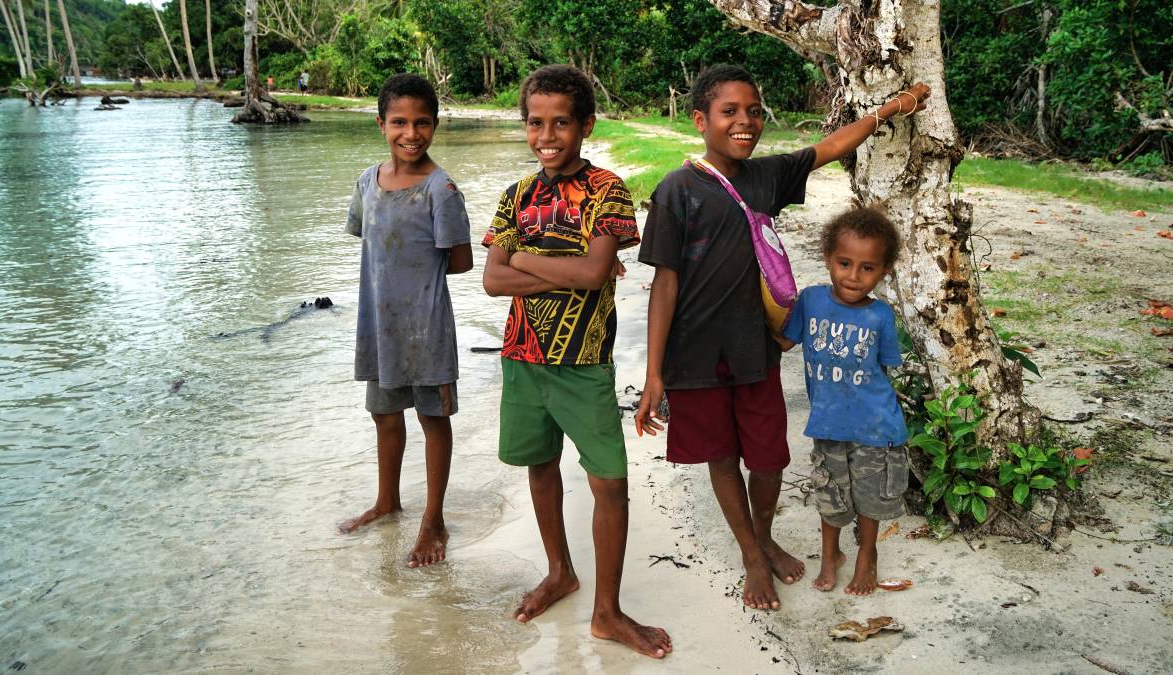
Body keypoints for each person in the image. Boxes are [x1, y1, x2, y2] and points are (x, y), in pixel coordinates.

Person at [635, 63, 928, 610]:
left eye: (754, 112)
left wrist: (888, 110)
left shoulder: (766, 177)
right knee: (721, 458)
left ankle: (763, 535)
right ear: (700, 120)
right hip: (692, 353)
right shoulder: (676, 190)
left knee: (768, 460)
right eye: (729, 112)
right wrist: (654, 374)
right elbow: (665, 284)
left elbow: (832, 145)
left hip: (755, 348)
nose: (745, 122)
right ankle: (752, 554)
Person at [482, 64, 672, 659]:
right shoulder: (515, 195)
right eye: (535, 123)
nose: (546, 135)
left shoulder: (606, 190)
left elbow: (594, 275)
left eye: (560, 122)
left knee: (609, 482)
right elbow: (492, 280)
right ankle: (560, 571)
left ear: (585, 125)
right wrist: (568, 271)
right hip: (522, 357)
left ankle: (608, 612)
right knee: (540, 465)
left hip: (584, 362)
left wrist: (530, 262)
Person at [339, 74, 474, 571]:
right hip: (380, 328)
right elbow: (366, 236)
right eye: (399, 122)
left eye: (421, 123)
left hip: (428, 327)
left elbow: (460, 261)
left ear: (435, 126)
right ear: (381, 124)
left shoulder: (442, 188)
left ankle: (433, 518)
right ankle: (387, 501)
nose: (410, 133)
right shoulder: (366, 182)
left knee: (433, 421)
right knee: (384, 415)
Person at [775, 207, 909, 595]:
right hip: (828, 423)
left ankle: (867, 555)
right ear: (828, 259)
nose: (853, 276)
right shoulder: (812, 300)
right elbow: (785, 341)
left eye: (867, 268)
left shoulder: (882, 316)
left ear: (883, 271)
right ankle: (830, 554)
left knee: (869, 498)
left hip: (876, 426)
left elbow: (883, 370)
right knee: (830, 494)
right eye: (845, 263)